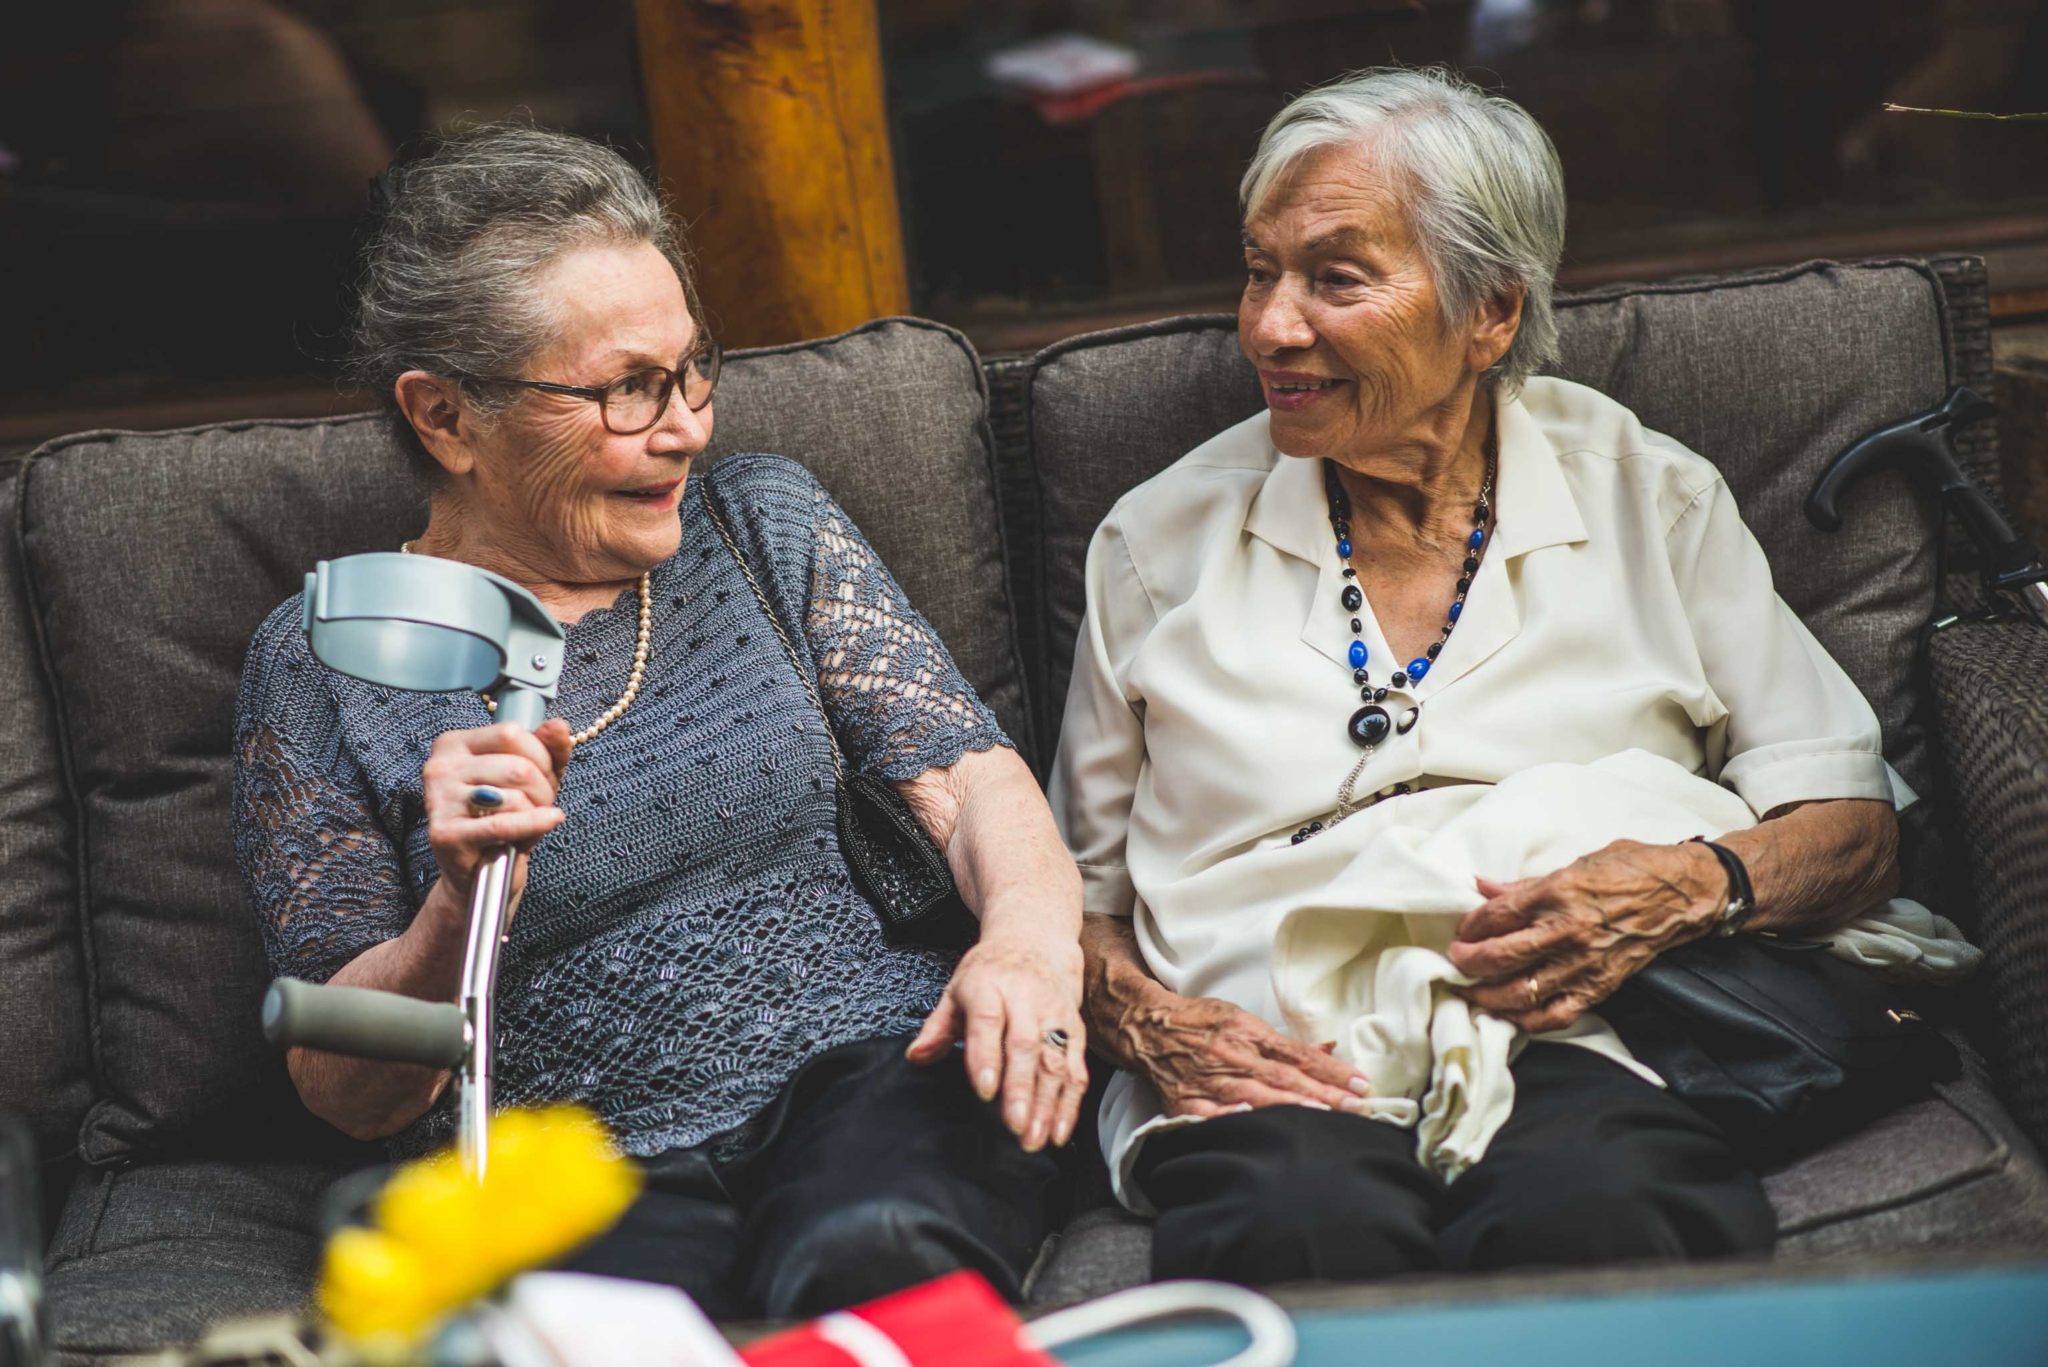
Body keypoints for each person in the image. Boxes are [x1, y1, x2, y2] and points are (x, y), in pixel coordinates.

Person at [1049, 66, 1973, 1286]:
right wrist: (1143, 1020)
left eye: (1332, 275)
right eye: (1258, 269)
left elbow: (1851, 825)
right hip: (1273, 1057)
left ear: (1489, 311)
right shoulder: (1156, 543)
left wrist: (1686, 885)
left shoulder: (1643, 494)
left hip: (1575, 1027)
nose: (1269, 324)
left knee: (1599, 1210)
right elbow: (1068, 898)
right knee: (1298, 1234)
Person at [232, 124, 1086, 1320]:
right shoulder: (324, 658)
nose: (685, 424)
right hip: (560, 1166)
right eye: (626, 389)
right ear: (444, 416)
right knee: (599, 1333)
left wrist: (1028, 947)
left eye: (691, 369)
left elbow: (971, 785)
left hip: (874, 1086)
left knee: (875, 1251)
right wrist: (456, 907)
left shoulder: (759, 523)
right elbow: (344, 1087)